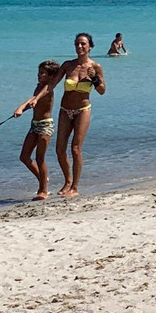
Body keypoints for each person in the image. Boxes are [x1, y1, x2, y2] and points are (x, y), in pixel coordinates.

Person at [15, 33, 106, 197]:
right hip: (65, 110)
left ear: (90, 46)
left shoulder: (95, 67)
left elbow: (102, 91)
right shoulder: (68, 65)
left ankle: (74, 188)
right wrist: (36, 99)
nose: (79, 47)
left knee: (76, 148)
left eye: (83, 44)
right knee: (60, 150)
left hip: (83, 110)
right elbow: (51, 85)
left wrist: (94, 78)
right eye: (77, 44)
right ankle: (67, 181)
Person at [13, 60, 61, 200]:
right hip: (34, 125)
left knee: (40, 158)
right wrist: (21, 109)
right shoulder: (39, 86)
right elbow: (33, 101)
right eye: (39, 72)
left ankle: (43, 190)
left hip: (46, 125)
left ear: (51, 76)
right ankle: (43, 178)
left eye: (42, 73)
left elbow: (34, 99)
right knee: (24, 157)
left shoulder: (48, 88)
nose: (39, 75)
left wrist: (21, 107)